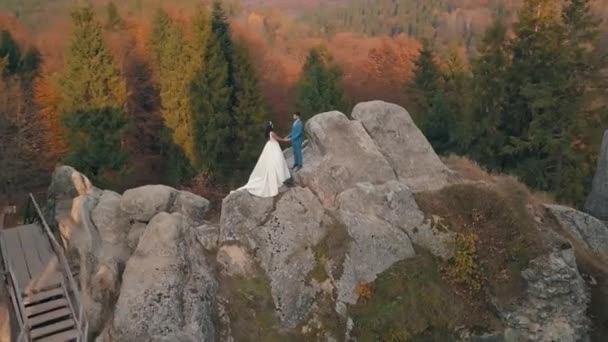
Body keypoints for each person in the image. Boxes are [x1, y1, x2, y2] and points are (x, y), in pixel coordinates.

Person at [236, 121, 291, 197]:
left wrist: (285, 138)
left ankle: (278, 177)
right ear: (271, 126)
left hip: (270, 145)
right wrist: (286, 140)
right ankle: (279, 177)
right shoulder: (272, 133)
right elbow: (279, 139)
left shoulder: (269, 133)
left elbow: (278, 138)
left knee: (273, 161)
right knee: (277, 161)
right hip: (274, 146)